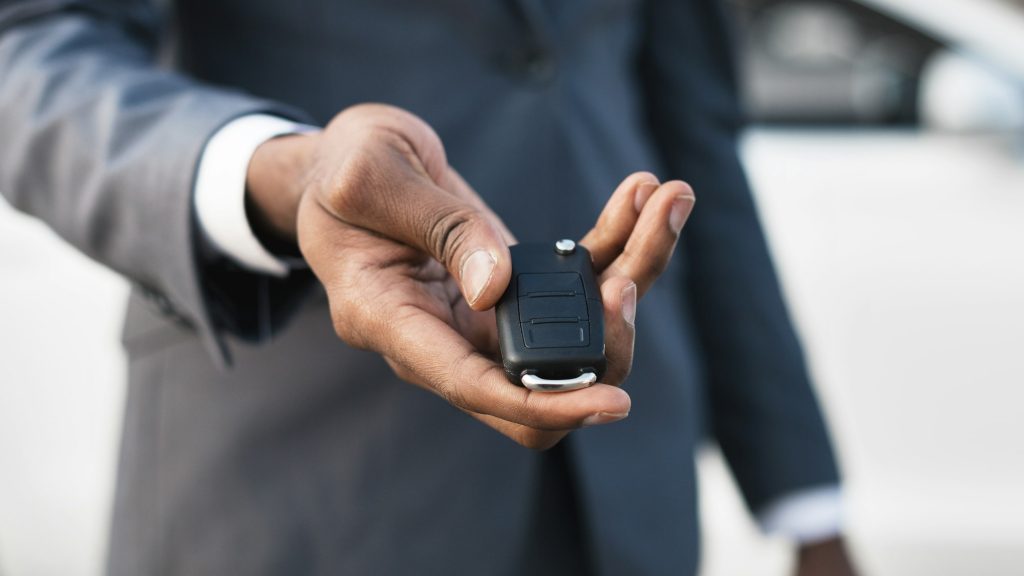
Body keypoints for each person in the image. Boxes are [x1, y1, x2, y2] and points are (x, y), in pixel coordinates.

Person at [0, 0, 856, 574]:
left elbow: (689, 131)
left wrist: (805, 499)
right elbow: (28, 48)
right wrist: (281, 175)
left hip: (625, 498)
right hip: (299, 485)